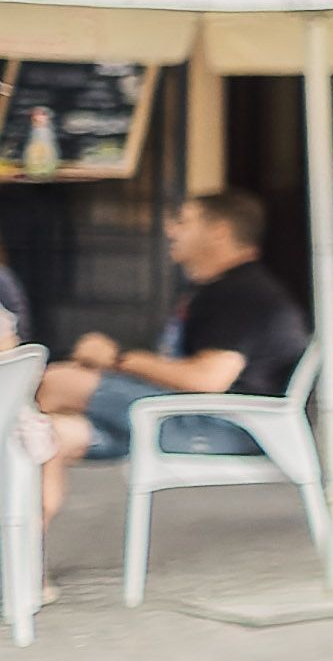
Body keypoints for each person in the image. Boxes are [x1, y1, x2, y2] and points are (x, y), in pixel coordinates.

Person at [31, 192, 305, 528]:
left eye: (183, 221)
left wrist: (117, 359)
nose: (170, 230)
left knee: (57, 383)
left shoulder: (245, 293)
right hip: (183, 416)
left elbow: (208, 379)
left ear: (219, 231)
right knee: (50, 435)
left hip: (228, 426)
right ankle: (30, 571)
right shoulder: (216, 288)